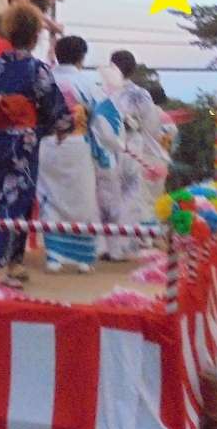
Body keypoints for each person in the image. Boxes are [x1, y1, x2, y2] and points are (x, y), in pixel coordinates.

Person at [0, 3, 73, 284]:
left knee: (9, 198)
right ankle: (0, 265)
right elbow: (52, 105)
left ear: (9, 34)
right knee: (15, 200)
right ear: (35, 37)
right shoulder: (36, 69)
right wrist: (58, 125)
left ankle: (13, 262)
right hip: (23, 142)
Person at [36, 35, 107, 274]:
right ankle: (82, 258)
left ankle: (54, 257)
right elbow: (103, 119)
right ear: (82, 57)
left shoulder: (44, 80)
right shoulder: (89, 84)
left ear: (57, 55)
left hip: (48, 144)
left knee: (51, 197)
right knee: (83, 200)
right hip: (78, 145)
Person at [107, 50, 163, 256]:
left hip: (106, 148)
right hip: (131, 147)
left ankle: (105, 246)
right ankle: (123, 246)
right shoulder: (141, 94)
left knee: (106, 195)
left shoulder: (102, 91)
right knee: (130, 195)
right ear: (133, 70)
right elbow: (152, 126)